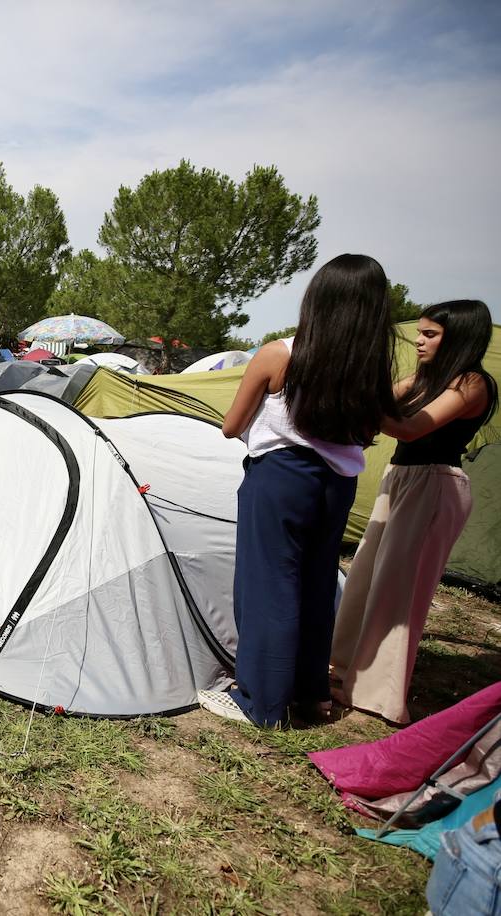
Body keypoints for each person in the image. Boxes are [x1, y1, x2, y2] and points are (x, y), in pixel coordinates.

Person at [197, 253, 399, 728]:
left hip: (281, 478)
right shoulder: (369, 368)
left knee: (270, 586)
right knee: (314, 585)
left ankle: (259, 702)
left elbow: (231, 426)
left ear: (318, 299)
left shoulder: (280, 353)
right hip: (338, 485)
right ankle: (311, 697)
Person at [331, 300, 496, 724]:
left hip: (434, 484)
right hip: (400, 478)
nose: (418, 341)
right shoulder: (425, 377)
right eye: (419, 332)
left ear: (457, 337)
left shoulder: (472, 383)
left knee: (398, 592)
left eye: (430, 334)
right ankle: (341, 670)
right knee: (365, 575)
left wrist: (363, 396)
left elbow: (409, 427)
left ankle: (377, 695)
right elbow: (383, 405)